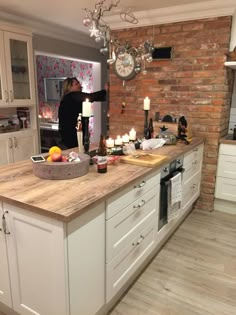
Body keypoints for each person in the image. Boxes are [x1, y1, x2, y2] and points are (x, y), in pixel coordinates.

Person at [58, 77, 107, 149]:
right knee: (77, 150)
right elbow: (90, 97)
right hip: (71, 132)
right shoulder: (72, 96)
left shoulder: (67, 98)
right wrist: (105, 91)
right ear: (70, 87)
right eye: (76, 84)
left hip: (69, 131)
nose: (79, 85)